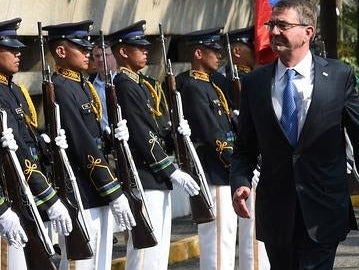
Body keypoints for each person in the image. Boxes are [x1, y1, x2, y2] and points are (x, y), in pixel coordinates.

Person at [230, 0, 359, 269]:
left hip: (324, 209)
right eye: (272, 25)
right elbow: (245, 147)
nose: (275, 31)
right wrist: (240, 181)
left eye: (283, 25)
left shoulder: (339, 76)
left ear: (308, 32)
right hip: (277, 211)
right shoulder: (255, 83)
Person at [43, 21, 136, 270]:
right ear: (61, 52)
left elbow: (94, 137)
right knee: (81, 263)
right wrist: (113, 190)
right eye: (80, 48)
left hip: (96, 190)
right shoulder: (61, 88)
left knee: (100, 262)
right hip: (81, 191)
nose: (87, 53)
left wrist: (113, 137)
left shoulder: (81, 85)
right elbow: (83, 144)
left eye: (88, 48)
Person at [107, 20, 200, 270]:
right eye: (139, 46)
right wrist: (171, 169)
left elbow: (156, 130)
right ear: (123, 51)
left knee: (158, 254)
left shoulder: (141, 85)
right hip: (144, 176)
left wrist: (174, 135)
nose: (146, 50)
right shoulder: (125, 86)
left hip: (156, 178)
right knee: (146, 256)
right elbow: (141, 134)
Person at [0, 17, 73, 269]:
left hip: (29, 195)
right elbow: (16, 150)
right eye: (10, 49)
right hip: (12, 196)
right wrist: (49, 197)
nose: (18, 53)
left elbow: (27, 138)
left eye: (18, 48)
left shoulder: (16, 91)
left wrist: (48, 142)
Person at [175, 27, 241, 270]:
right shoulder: (193, 87)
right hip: (214, 171)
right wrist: (237, 163)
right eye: (214, 51)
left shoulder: (210, 85)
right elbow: (212, 134)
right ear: (199, 53)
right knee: (217, 239)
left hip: (222, 171)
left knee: (224, 237)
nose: (219, 56)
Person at [224, 26, 270, 270]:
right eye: (249, 46)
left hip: (260, 162)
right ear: (237, 51)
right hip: (241, 164)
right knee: (248, 231)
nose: (256, 50)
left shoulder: (256, 77)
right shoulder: (225, 79)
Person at [88, 40, 116, 130]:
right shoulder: (89, 83)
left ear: (115, 56)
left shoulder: (123, 82)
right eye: (97, 56)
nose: (100, 59)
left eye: (106, 55)